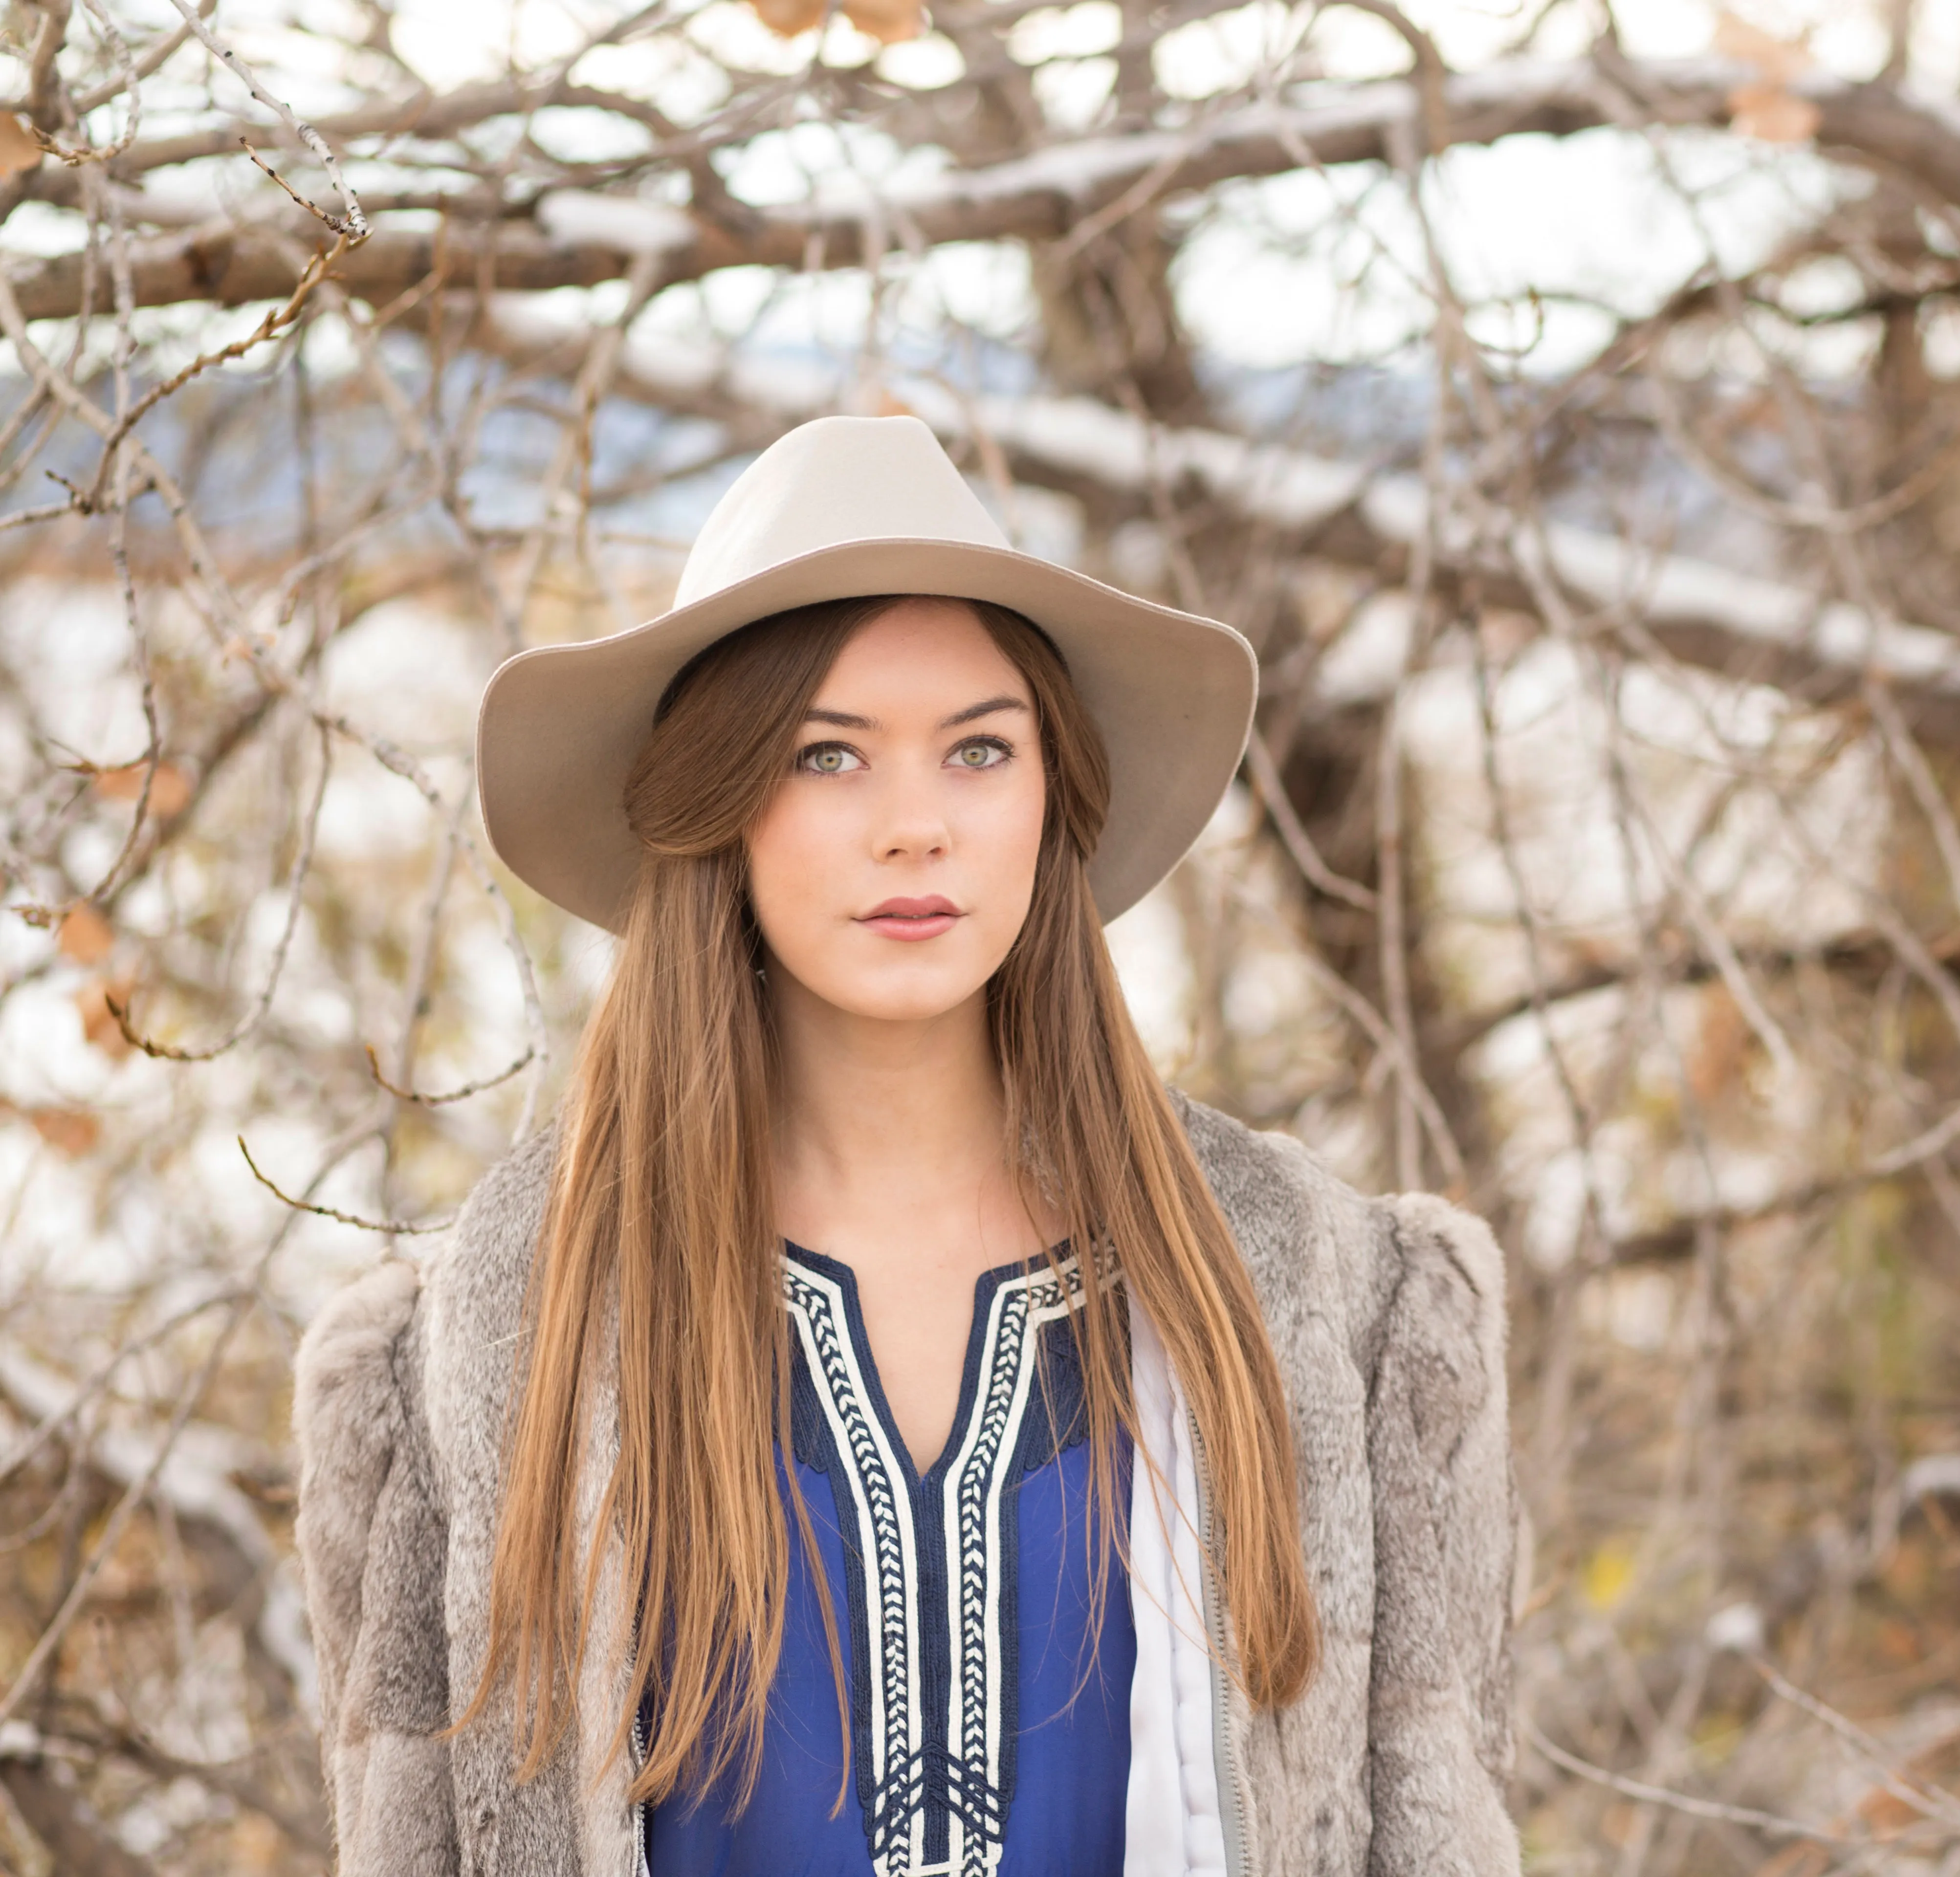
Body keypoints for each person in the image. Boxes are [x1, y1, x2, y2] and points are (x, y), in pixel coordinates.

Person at [289, 415, 1522, 1877]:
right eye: (826, 756)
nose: (916, 828)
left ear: (1050, 793)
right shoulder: (481, 1358)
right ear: (719, 806)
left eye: (979, 750)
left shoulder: (1349, 1316)